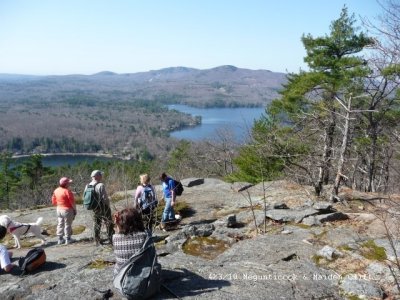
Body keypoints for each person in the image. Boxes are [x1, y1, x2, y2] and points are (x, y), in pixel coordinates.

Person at [112, 207, 148, 276]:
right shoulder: (145, 236)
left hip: (121, 278)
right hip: (143, 277)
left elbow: (120, 233)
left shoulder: (115, 238)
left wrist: (118, 224)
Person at [85, 170, 114, 246]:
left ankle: (97, 239)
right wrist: (108, 206)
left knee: (97, 223)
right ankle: (111, 238)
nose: (101, 176)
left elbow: (84, 197)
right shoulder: (101, 185)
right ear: (97, 176)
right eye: (100, 175)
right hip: (103, 207)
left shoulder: (87, 185)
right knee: (109, 222)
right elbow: (105, 198)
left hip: (94, 208)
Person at [52, 177, 76, 245]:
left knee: (60, 223)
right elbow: (72, 202)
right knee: (67, 224)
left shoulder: (56, 190)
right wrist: (75, 210)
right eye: (68, 183)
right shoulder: (67, 191)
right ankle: (68, 239)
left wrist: (60, 204)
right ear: (66, 184)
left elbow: (53, 202)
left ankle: (60, 239)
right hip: (67, 210)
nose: (69, 184)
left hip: (59, 209)